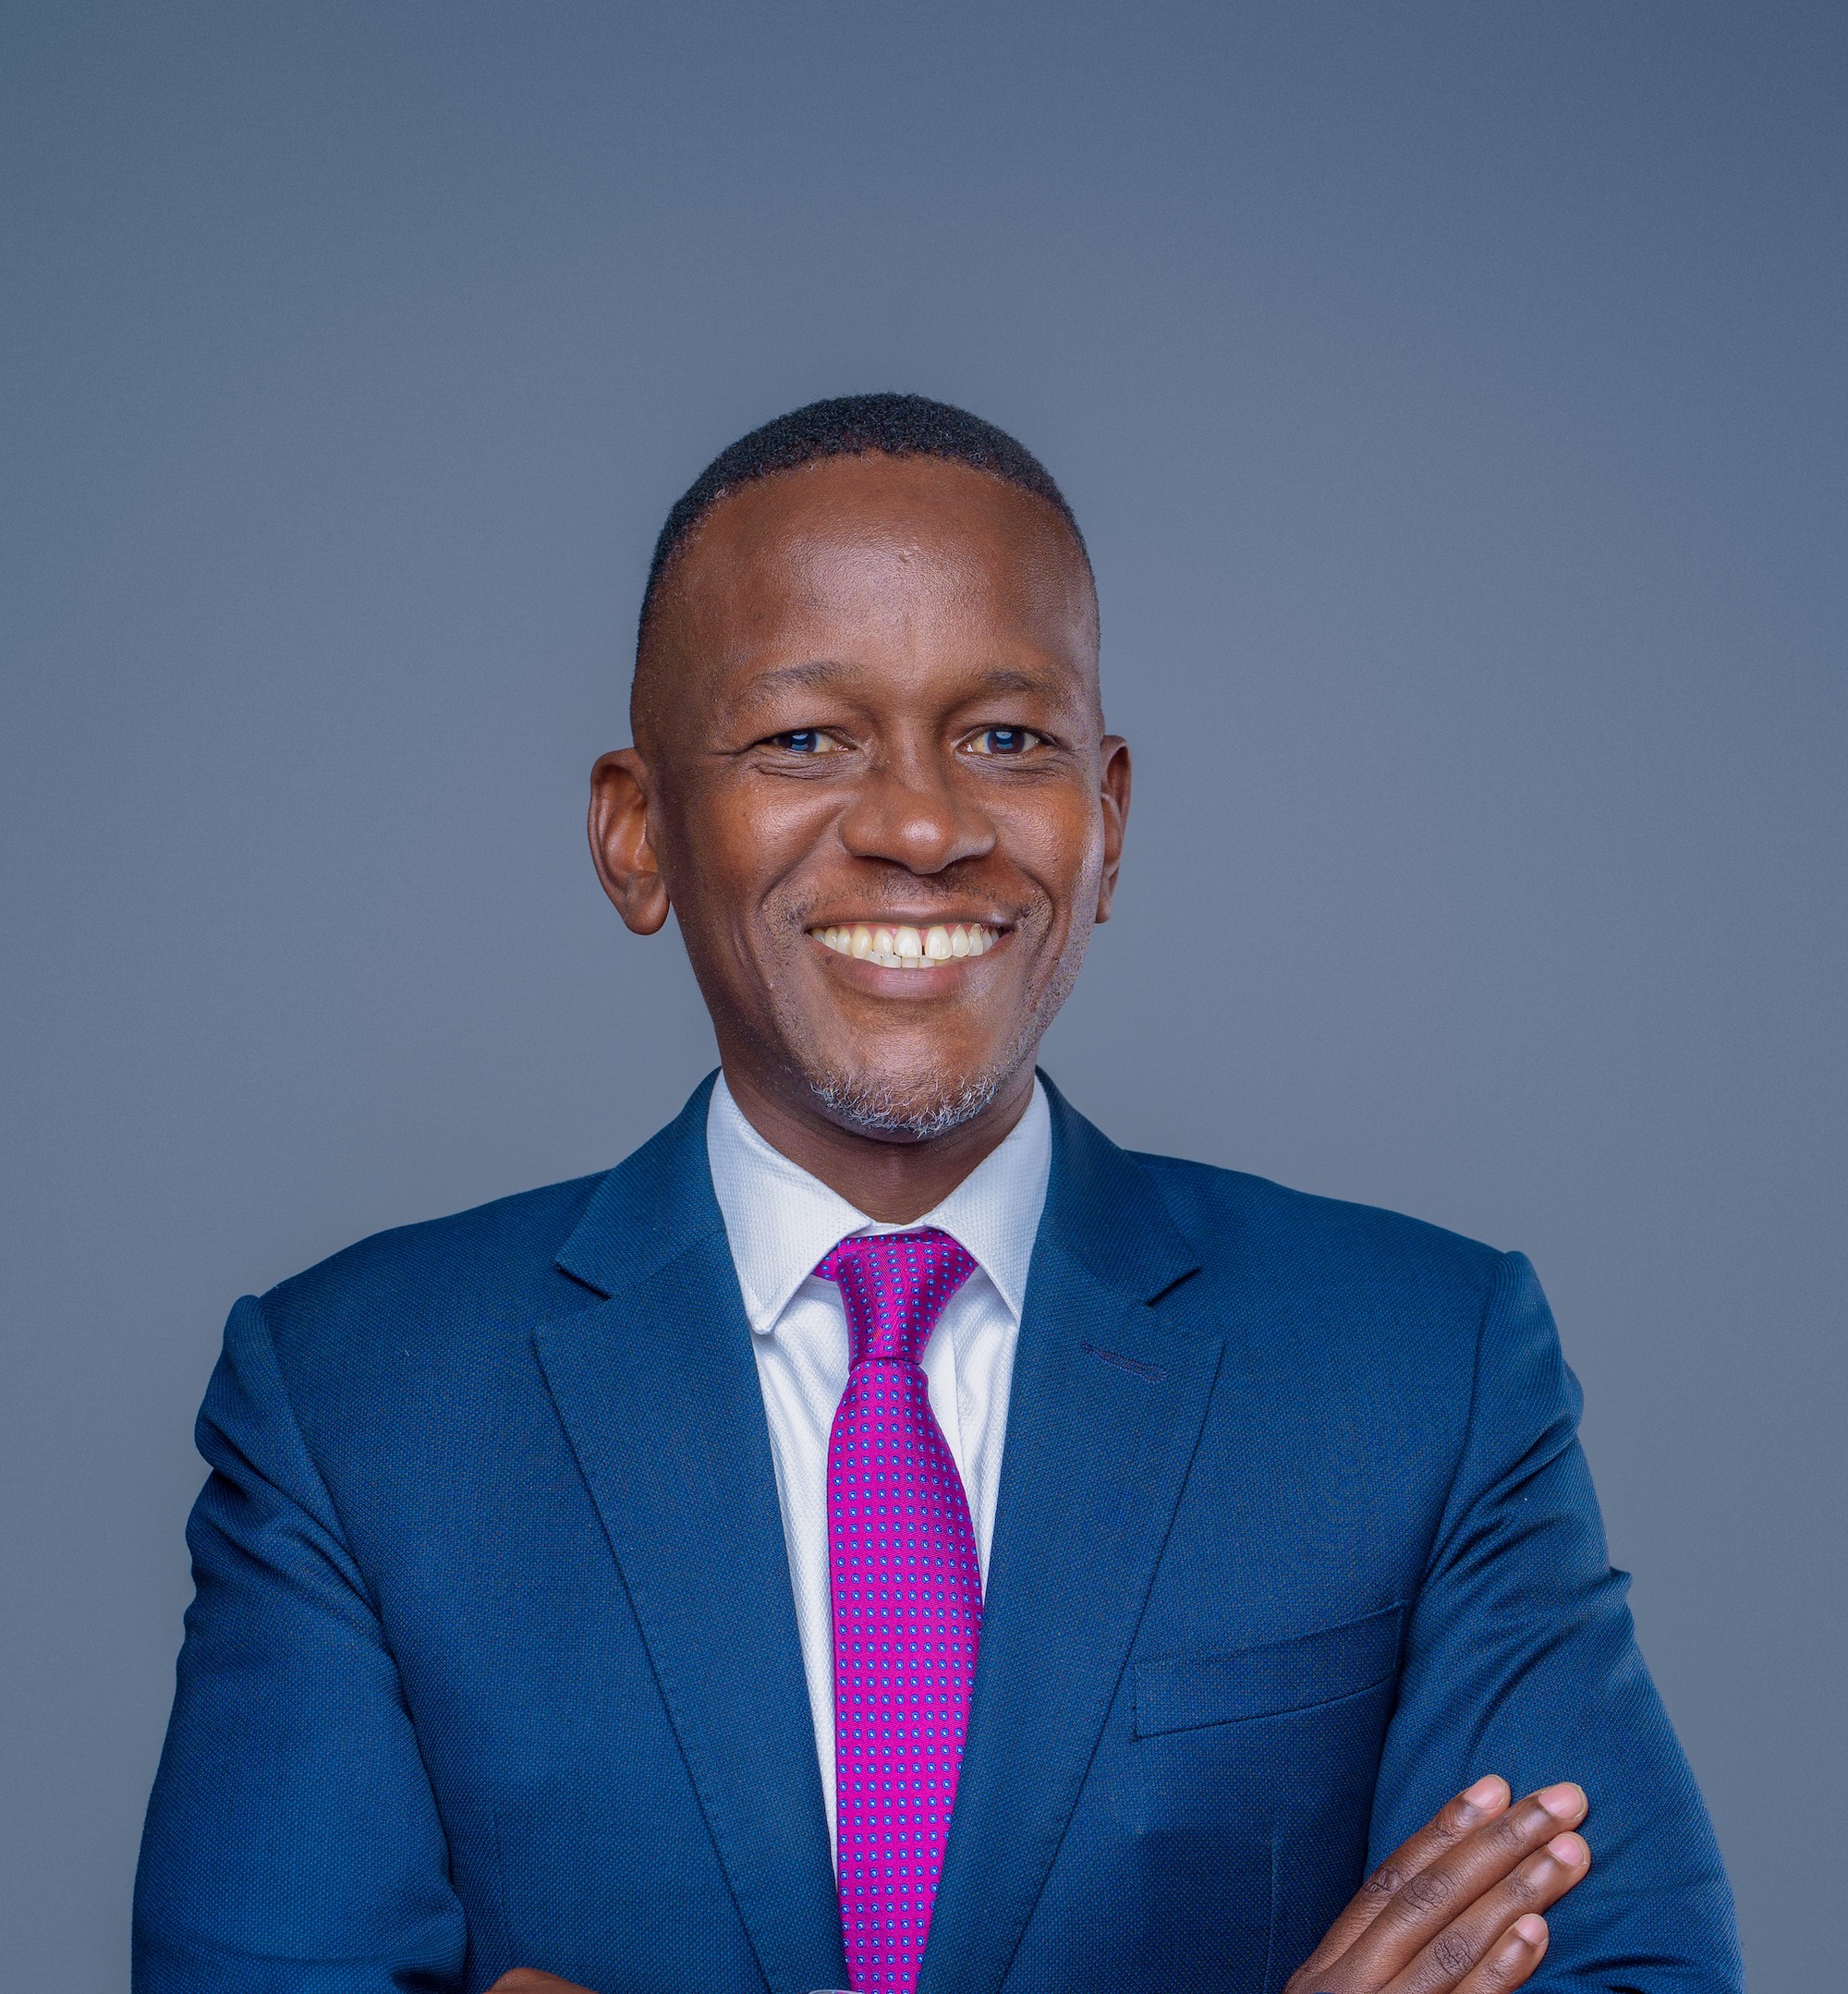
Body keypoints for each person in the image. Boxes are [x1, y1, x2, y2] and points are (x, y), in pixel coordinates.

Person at [133, 395, 1740, 1994]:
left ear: (1108, 821)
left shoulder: (1424, 1368)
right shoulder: (351, 1404)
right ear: (638, 834)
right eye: (804, 739)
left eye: (1005, 739)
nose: (919, 822)